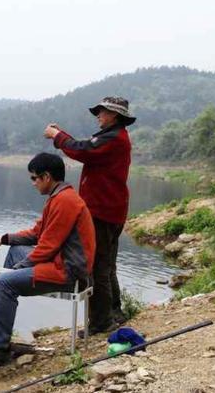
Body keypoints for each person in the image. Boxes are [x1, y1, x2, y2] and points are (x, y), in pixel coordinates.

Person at [0, 152, 95, 371]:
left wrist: (14, 271)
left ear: (46, 176)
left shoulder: (65, 201)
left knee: (4, 283)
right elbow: (37, 233)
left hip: (67, 271)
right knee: (16, 250)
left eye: (34, 178)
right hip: (59, 261)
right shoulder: (58, 197)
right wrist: (3, 239)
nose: (33, 183)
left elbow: (47, 247)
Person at [43, 96, 135, 335]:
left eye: (102, 112)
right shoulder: (115, 137)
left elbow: (82, 150)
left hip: (102, 211)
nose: (98, 116)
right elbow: (85, 148)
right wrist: (61, 135)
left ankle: (101, 322)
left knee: (97, 267)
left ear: (114, 115)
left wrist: (56, 135)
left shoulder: (113, 138)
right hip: (112, 209)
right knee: (108, 266)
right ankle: (114, 312)